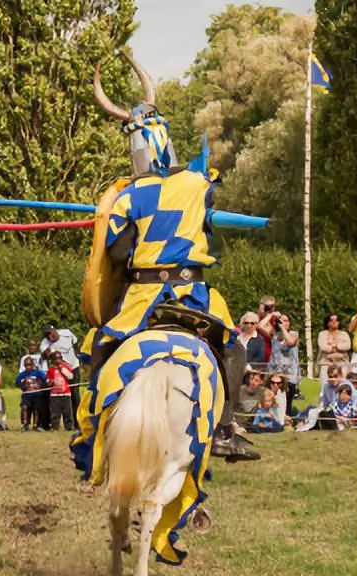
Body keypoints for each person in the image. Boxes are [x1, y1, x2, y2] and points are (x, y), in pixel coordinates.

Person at [90, 59, 258, 460]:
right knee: (233, 348)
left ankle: (94, 431)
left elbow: (115, 255)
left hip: (141, 300)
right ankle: (223, 429)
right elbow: (209, 230)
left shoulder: (127, 196)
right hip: (193, 294)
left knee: (99, 346)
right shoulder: (199, 184)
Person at [261, 312, 300, 416]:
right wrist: (271, 315)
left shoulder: (294, 334)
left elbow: (290, 342)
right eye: (281, 320)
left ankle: (286, 420)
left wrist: (283, 328)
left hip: (289, 375)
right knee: (270, 400)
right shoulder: (274, 334)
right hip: (273, 374)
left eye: (286, 320)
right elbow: (259, 326)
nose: (283, 322)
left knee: (286, 404)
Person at [317, 312, 351, 384]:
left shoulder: (344, 334)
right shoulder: (322, 334)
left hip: (342, 362)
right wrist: (339, 348)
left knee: (343, 384)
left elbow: (348, 345)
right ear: (327, 323)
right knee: (325, 384)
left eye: (336, 320)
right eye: (331, 320)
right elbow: (323, 347)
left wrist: (334, 346)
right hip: (326, 363)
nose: (334, 322)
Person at [16, 356, 48, 431]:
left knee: (36, 410)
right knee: (25, 408)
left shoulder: (38, 373)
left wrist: (41, 385)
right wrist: (23, 385)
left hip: (37, 395)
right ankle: (25, 424)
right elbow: (17, 382)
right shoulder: (23, 374)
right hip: (27, 395)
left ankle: (36, 425)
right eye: (26, 365)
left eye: (29, 365)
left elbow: (45, 379)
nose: (28, 367)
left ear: (33, 365)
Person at [46, 352, 75, 431]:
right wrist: (50, 382)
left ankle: (69, 426)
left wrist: (62, 368)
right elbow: (48, 380)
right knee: (55, 412)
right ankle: (55, 426)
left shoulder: (65, 367)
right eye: (56, 359)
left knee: (67, 412)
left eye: (59, 358)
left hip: (65, 393)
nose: (58, 361)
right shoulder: (51, 369)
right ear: (53, 360)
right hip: (55, 394)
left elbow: (70, 377)